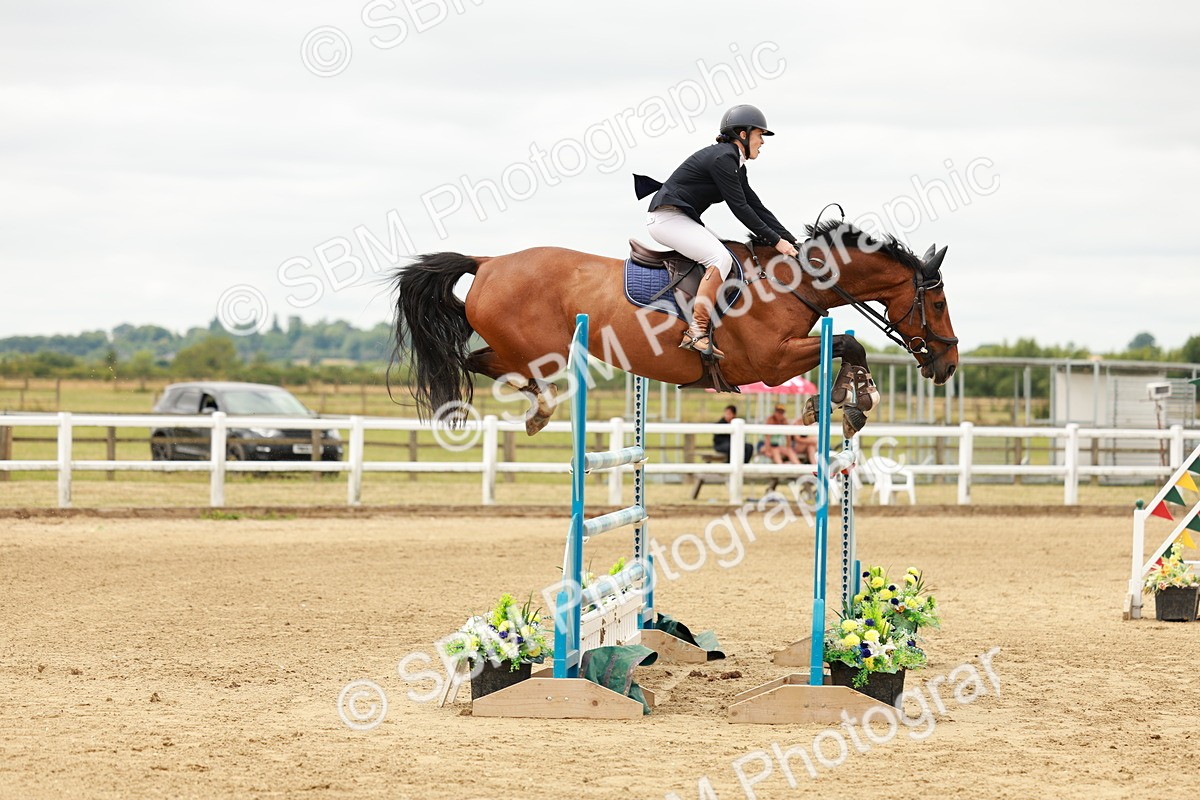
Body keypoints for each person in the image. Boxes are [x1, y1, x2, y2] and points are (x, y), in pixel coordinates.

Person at [640, 104, 799, 360]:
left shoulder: (735, 162)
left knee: (728, 254)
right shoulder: (723, 158)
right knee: (720, 258)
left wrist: (790, 239)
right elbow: (740, 208)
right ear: (743, 134)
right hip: (667, 219)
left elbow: (756, 206)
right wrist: (775, 241)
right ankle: (696, 330)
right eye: (760, 135)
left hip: (679, 218)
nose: (762, 142)